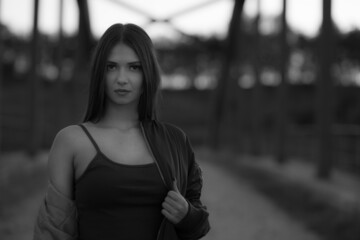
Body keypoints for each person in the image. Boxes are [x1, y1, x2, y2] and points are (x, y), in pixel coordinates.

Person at [33, 23, 210, 240]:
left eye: (134, 67)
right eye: (111, 67)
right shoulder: (70, 141)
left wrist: (186, 215)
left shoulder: (176, 140)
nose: (122, 79)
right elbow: (53, 232)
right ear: (99, 72)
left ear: (148, 74)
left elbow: (199, 223)